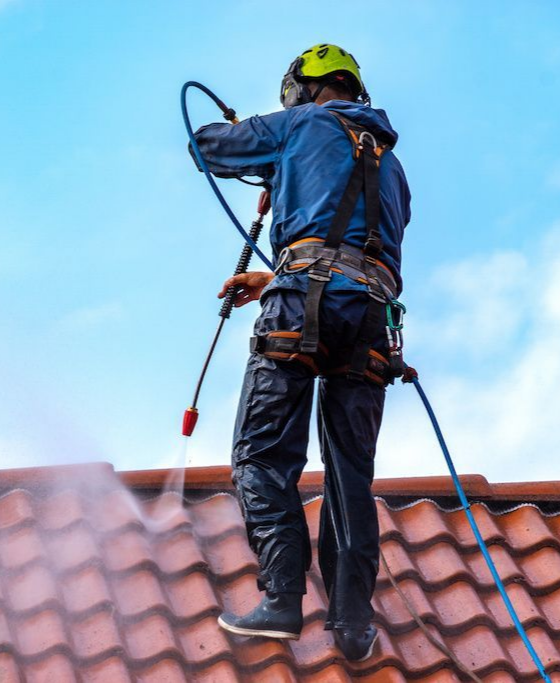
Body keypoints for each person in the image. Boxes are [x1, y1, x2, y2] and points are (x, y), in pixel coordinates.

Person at [190, 44, 411, 662]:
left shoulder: (300, 123)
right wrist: (273, 268)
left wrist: (264, 149)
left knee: (261, 454)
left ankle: (282, 597)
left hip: (302, 309)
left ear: (302, 88)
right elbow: (353, 249)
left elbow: (205, 144)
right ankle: (352, 625)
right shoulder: (394, 168)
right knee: (349, 475)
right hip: (371, 320)